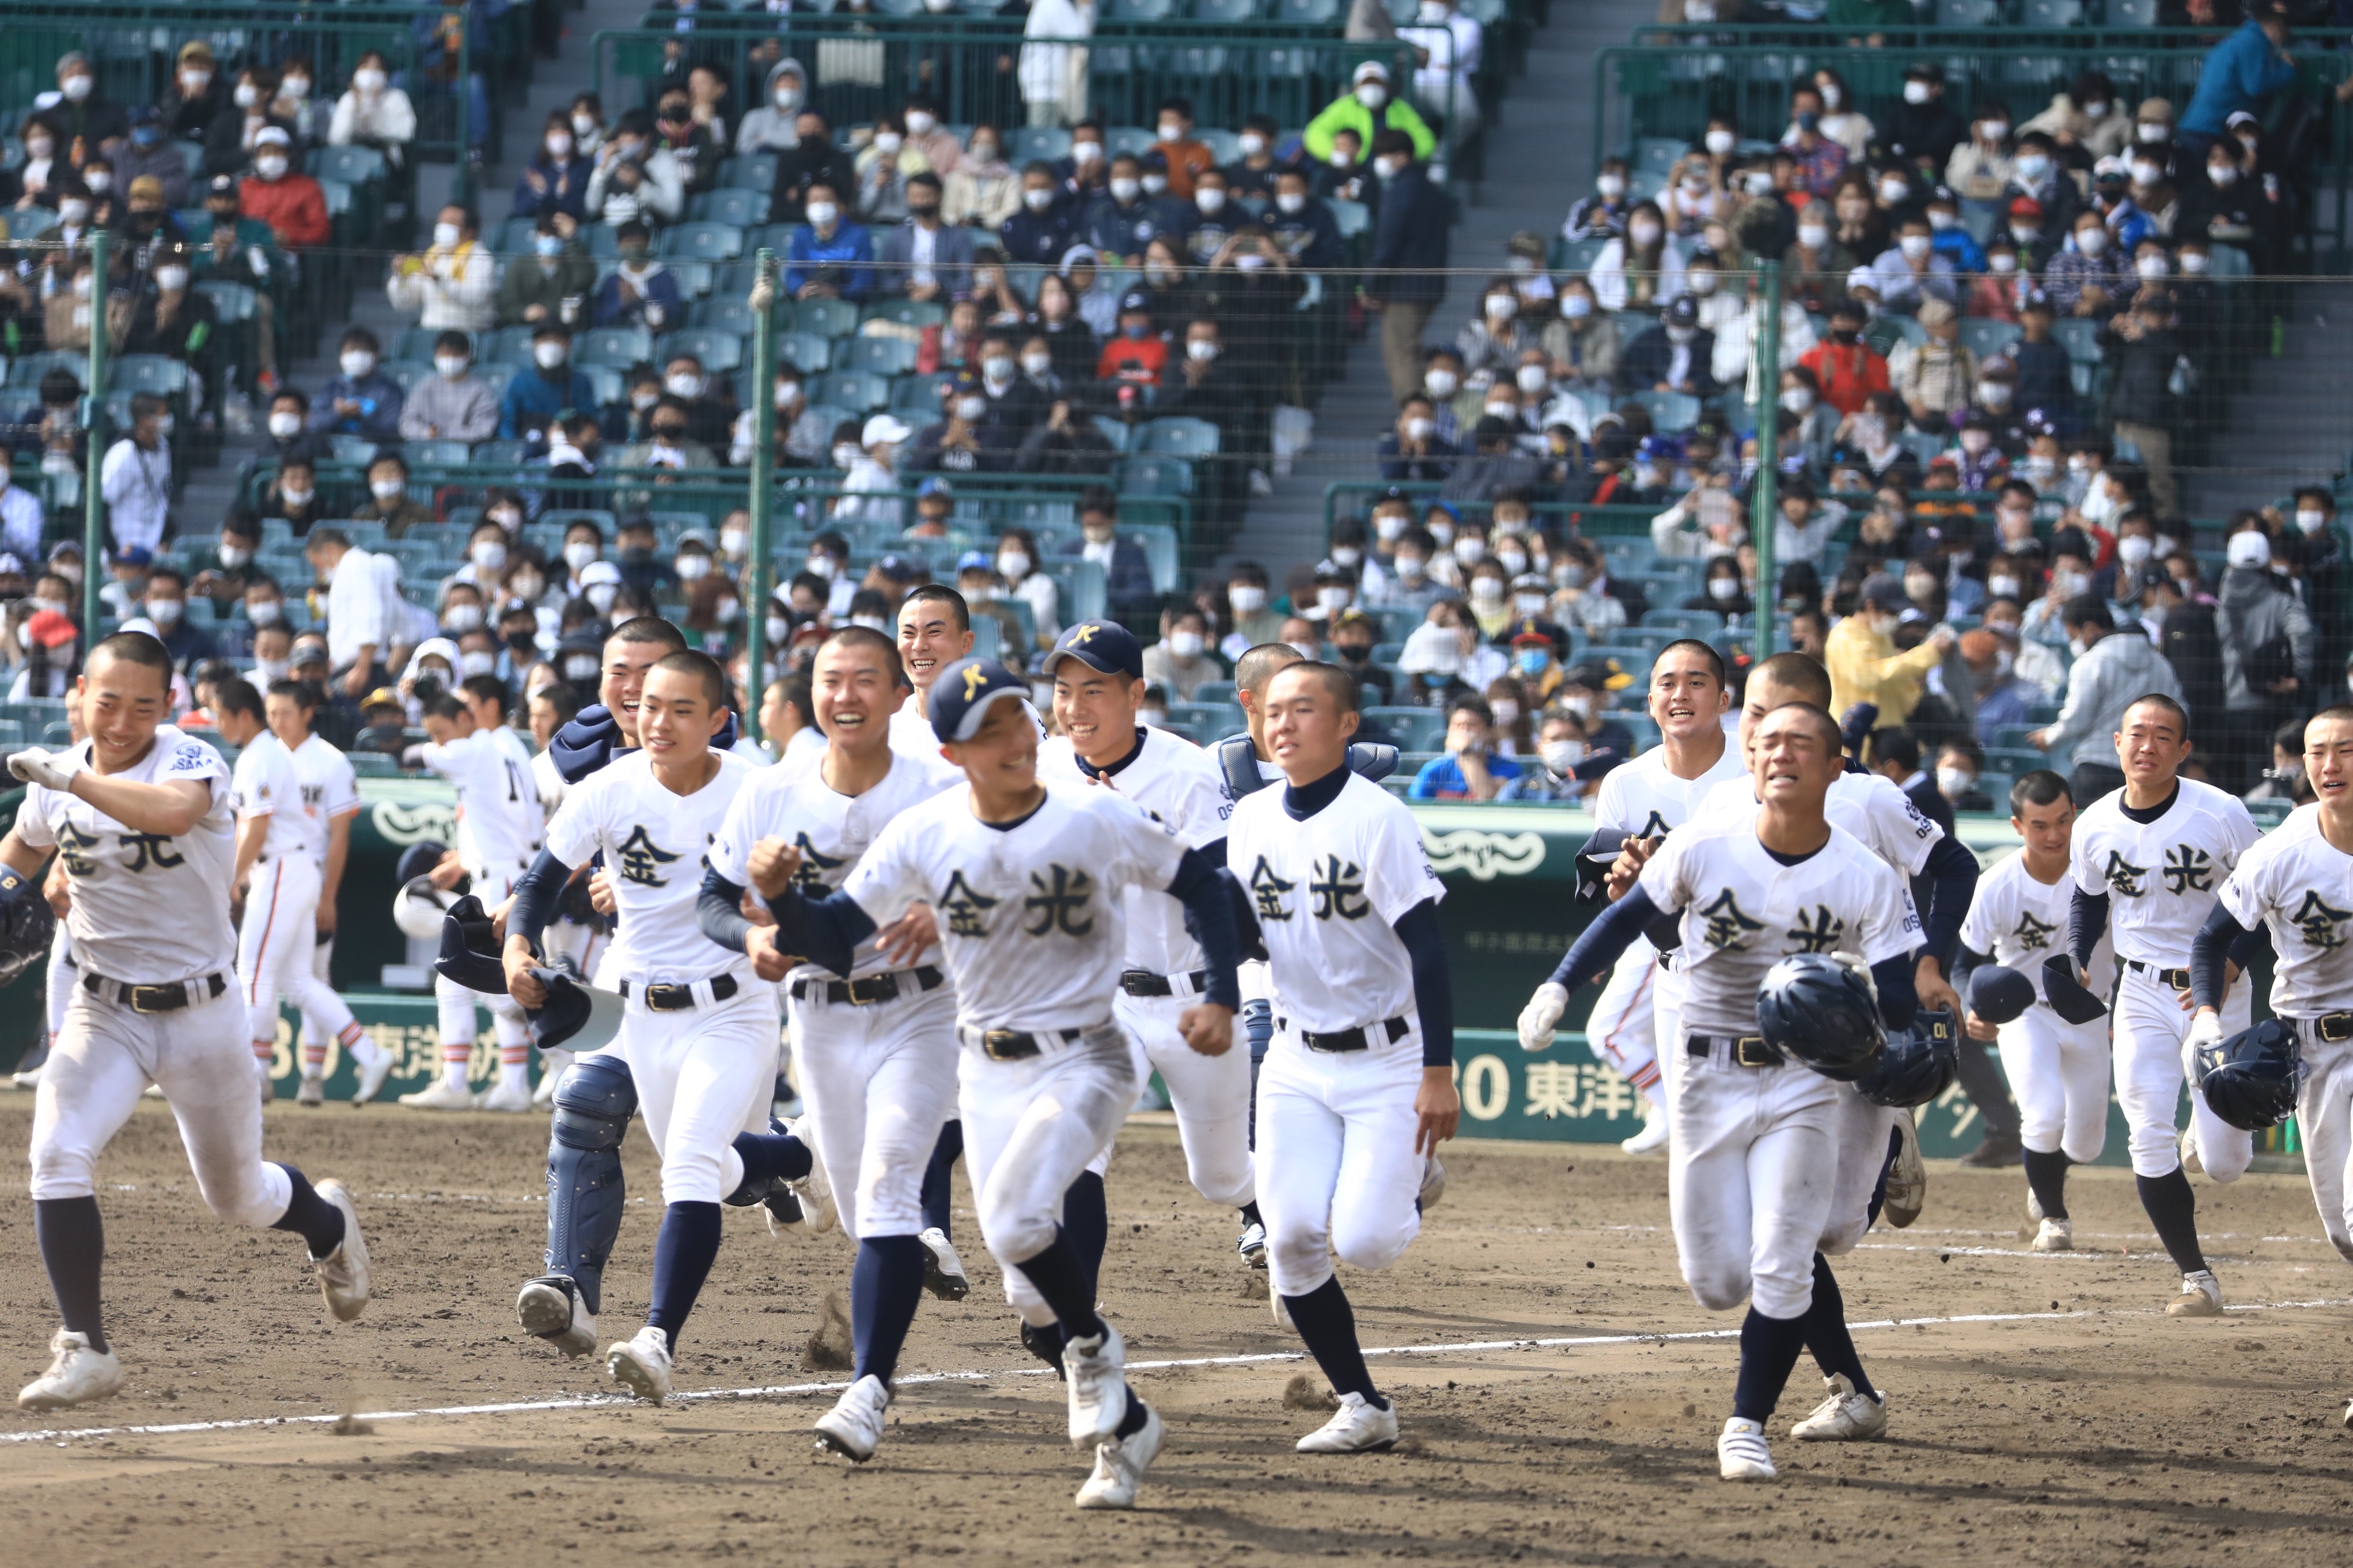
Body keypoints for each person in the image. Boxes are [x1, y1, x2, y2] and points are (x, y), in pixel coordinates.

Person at [751, 658, 1244, 1509]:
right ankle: (1127, 1424)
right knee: (1024, 1282)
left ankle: (1095, 1353)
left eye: (1018, 715)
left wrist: (1222, 992)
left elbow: (1202, 880)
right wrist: (780, 898)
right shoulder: (926, 831)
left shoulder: (1093, 813)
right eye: (989, 728)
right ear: (952, 752)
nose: (1015, 737)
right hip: (984, 1068)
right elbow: (832, 935)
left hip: (1090, 1053)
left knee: (1013, 1220)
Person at [1524, 696, 1920, 1483]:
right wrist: (1559, 984)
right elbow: (1627, 919)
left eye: (1801, 742)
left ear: (1834, 766)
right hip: (1706, 1076)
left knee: (1785, 1260)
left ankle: (1746, 1426)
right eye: (1768, 740)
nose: (1781, 752)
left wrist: (1877, 1016)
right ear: (1751, 757)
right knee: (1716, 1282)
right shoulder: (1705, 844)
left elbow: (1902, 996)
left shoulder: (1865, 875)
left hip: (1805, 1081)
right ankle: (1761, 1381)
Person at [3, 633, 371, 1411]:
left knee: (238, 1197)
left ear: (168, 704)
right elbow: (21, 851)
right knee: (56, 1153)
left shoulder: (189, 760)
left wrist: (71, 778)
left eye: (143, 706)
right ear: (80, 693)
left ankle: (328, 1225)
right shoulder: (57, 780)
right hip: (102, 1009)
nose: (122, 721)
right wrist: (14, 880)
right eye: (107, 702)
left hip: (202, 1013)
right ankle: (87, 1347)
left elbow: (172, 815)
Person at [696, 628, 954, 1454]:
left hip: (920, 1010)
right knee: (860, 1209)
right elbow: (712, 898)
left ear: (898, 694)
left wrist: (946, 909)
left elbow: (1000, 877)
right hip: (819, 1016)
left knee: (890, 1189)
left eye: (865, 679)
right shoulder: (773, 789)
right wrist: (749, 936)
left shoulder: (939, 786)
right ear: (812, 693)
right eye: (830, 679)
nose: (846, 695)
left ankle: (868, 1388)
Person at [503, 648, 778, 1400]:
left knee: (689, 1162)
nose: (659, 721)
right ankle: (799, 1154)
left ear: (718, 720)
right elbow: (538, 882)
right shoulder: (609, 787)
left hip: (732, 1006)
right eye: (651, 705)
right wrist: (518, 945)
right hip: (640, 1012)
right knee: (721, 1173)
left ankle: (656, 1339)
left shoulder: (757, 790)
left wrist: (777, 908)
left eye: (681, 709)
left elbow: (812, 880)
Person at [1039, 621, 1262, 1264]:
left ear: (1135, 694)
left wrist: (1222, 994)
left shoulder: (1186, 772)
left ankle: (1268, 1208)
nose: (1074, 707)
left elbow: (1219, 896)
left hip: (1191, 998)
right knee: (1077, 1144)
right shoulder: (1045, 767)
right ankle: (1072, 1311)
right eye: (1063, 690)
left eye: (1094, 690)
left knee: (1220, 1176)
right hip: (1101, 998)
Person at [2059, 694, 2259, 1319]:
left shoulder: (2221, 812)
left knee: (2225, 1164)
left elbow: (2264, 896)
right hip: (2142, 989)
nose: (2147, 745)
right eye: (2137, 733)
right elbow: (2088, 899)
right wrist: (2077, 954)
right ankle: (2196, 1278)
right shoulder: (2094, 822)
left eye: (2163, 735)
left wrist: (2230, 965)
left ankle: (2205, 1131)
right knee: (2145, 1133)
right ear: (2116, 742)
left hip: (2215, 991)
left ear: (2183, 750)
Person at [1563, 639, 1746, 1156]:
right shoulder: (1624, 782)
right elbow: (1607, 879)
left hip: (1745, 941)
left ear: (1724, 700)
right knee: (1689, 1111)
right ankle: (1669, 1110)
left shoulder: (1754, 766)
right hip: (1659, 937)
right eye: (1667, 683)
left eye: (1696, 682)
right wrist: (1606, 945)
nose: (1679, 694)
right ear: (1650, 702)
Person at [1953, 771, 2112, 1252]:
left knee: (2085, 1144)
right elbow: (1962, 965)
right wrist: (1971, 1007)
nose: (2054, 835)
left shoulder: (2101, 875)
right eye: (2039, 825)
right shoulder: (1996, 884)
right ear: (2017, 825)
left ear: (2075, 815)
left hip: (2090, 1011)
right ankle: (2054, 1218)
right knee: (2042, 1117)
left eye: (2062, 821)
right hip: (2024, 1012)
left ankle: (2043, 1171)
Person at [206, 675, 374, 1104]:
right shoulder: (267, 753)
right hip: (290, 868)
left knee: (255, 973)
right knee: (298, 980)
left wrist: (230, 877)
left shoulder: (263, 756)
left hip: (283, 867)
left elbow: (257, 829)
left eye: (221, 716)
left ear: (242, 715)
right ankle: (371, 1055)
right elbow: (250, 825)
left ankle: (252, 1072)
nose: (218, 725)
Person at [400, 689, 542, 1113]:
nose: (441, 741)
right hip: (508, 871)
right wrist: (463, 860)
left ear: (469, 716)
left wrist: (419, 744)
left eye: (442, 731)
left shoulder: (479, 745)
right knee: (474, 980)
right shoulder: (510, 747)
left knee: (488, 983)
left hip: (499, 880)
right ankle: (504, 1082)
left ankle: (558, 1054)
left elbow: (410, 754)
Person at [265, 677, 382, 1103]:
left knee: (294, 978)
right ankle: (308, 1072)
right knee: (295, 979)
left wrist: (329, 896)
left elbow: (340, 836)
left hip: (308, 875)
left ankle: (311, 1072)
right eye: (272, 713)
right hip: (270, 875)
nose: (278, 721)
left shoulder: (331, 761)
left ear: (307, 713)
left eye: (286, 713)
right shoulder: (265, 756)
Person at [2028, 596, 2184, 804]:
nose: (2072, 642)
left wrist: (2049, 738)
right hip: (2147, 768)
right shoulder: (2161, 664)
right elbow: (2179, 712)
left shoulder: (2090, 662)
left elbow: (2077, 717)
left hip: (2096, 766)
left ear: (2090, 628)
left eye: (2072, 635)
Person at [1363, 130, 1450, 404]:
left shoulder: (1399, 192)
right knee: (1409, 349)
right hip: (1430, 282)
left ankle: (1413, 412)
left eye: (1384, 155)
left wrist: (1371, 284)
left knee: (1400, 352)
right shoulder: (1431, 190)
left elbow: (1387, 244)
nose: (1380, 161)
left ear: (1402, 156)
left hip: (1404, 286)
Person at [1825, 575, 1955, 727]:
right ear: (1871, 606)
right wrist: (1927, 654)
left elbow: (1895, 682)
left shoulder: (1882, 637)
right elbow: (1871, 677)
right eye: (1891, 612)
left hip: (1890, 730)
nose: (1894, 618)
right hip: (1858, 735)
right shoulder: (1844, 637)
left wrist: (1915, 689)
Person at [385, 204, 495, 332]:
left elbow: (476, 299)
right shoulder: (433, 256)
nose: (443, 226)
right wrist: (401, 276)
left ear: (470, 232)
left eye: (451, 222)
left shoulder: (481, 258)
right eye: (441, 222)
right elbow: (404, 303)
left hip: (467, 332)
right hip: (430, 331)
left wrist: (439, 279)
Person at [1304, 60, 1437, 166]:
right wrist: (1334, 154)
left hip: (1393, 172)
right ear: (1356, 88)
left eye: (1377, 83)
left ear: (1387, 87)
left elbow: (1426, 141)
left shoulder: (1401, 109)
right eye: (1366, 84)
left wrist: (1405, 156)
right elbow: (1315, 133)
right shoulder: (1344, 107)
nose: (1372, 89)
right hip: (1355, 169)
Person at [98, 395, 172, 557]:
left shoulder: (164, 447)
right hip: (124, 544)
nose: (168, 419)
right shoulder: (124, 452)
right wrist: (113, 550)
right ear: (145, 420)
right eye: (163, 415)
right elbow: (102, 502)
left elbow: (162, 493)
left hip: (153, 542)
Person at [1409, 696, 1520, 800]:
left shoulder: (1508, 769)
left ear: (1489, 732)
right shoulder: (1434, 770)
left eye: (1471, 725)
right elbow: (1415, 806)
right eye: (1457, 725)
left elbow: (1488, 798)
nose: (1463, 731)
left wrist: (1466, 752)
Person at [399, 331, 499, 445]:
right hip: (425, 445)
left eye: (455, 354)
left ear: (467, 356)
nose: (449, 359)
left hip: (465, 449)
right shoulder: (425, 386)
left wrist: (442, 435)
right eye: (444, 354)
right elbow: (406, 423)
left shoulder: (481, 391)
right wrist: (425, 433)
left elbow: (483, 430)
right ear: (435, 356)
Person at [786, 181, 875, 301]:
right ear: (806, 207)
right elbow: (792, 274)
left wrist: (838, 293)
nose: (820, 205)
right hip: (806, 302)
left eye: (827, 200)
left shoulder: (859, 235)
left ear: (840, 205)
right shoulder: (801, 235)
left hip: (846, 305)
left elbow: (864, 279)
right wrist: (803, 288)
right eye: (814, 200)